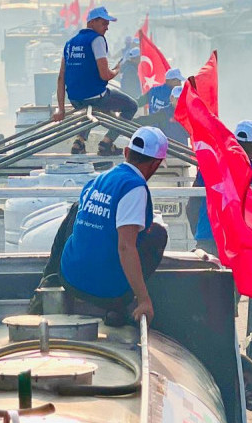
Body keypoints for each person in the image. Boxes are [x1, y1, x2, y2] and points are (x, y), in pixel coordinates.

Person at [39, 126, 169, 325]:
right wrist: (144, 300)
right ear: (156, 164)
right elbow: (126, 247)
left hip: (69, 278)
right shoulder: (134, 187)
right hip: (107, 293)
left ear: (126, 152)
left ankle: (48, 278)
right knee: (158, 234)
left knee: (75, 210)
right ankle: (118, 307)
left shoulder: (98, 180)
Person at [187, 120, 252, 255]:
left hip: (207, 240)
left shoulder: (208, 166)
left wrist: (200, 232)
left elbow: (191, 205)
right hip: (236, 243)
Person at [54, 6, 138, 156]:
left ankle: (79, 141)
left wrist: (61, 109)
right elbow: (105, 75)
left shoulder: (70, 43)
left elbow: (61, 78)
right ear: (92, 22)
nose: (107, 28)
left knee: (90, 108)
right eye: (104, 24)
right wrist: (117, 69)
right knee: (131, 106)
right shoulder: (97, 39)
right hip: (96, 96)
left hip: (75, 99)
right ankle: (107, 143)